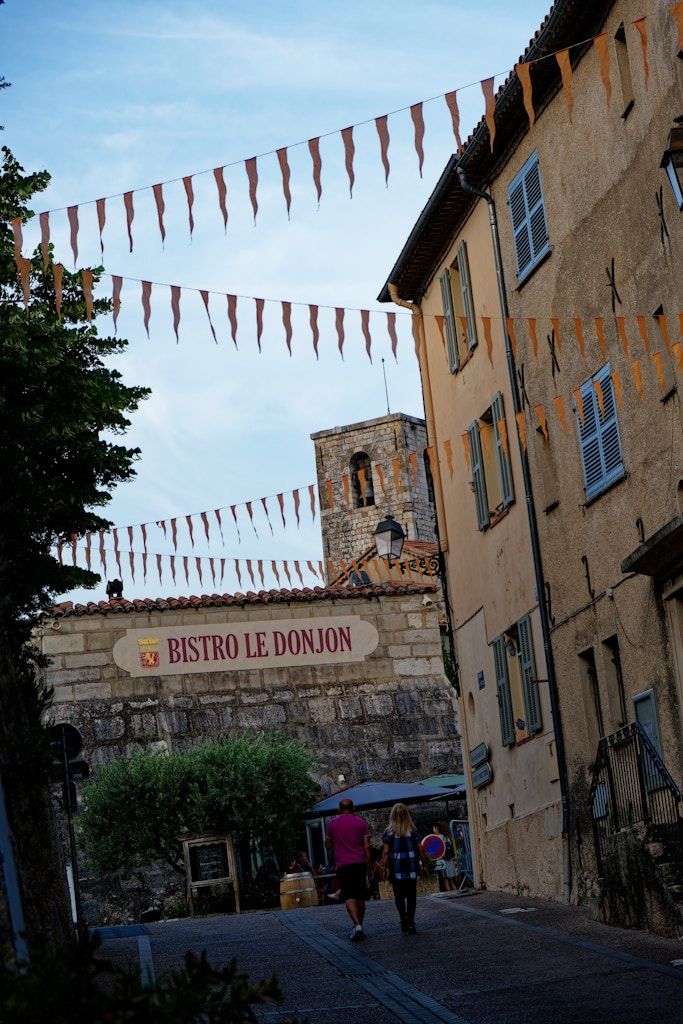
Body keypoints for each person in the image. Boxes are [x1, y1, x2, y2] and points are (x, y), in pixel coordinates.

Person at [325, 798, 372, 941]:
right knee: (360, 896)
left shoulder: (332, 824)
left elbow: (327, 845)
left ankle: (357, 926)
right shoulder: (361, 823)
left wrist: (335, 839)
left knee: (349, 896)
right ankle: (360, 926)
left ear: (339, 809)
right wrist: (369, 865)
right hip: (359, 863)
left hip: (343, 864)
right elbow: (367, 846)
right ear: (354, 808)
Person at [380, 803, 425, 935]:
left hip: (396, 869)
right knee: (411, 896)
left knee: (399, 896)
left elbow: (386, 851)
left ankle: (403, 919)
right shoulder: (413, 830)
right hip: (411, 868)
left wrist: (382, 865)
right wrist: (425, 863)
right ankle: (411, 922)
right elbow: (421, 849)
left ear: (392, 816)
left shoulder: (389, 832)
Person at [435, 821, 458, 892]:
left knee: (446, 882)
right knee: (451, 882)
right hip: (450, 861)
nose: (433, 830)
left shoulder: (439, 837)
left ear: (437, 829)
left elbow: (437, 850)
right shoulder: (448, 837)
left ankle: (450, 896)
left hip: (443, 862)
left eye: (434, 828)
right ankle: (456, 893)